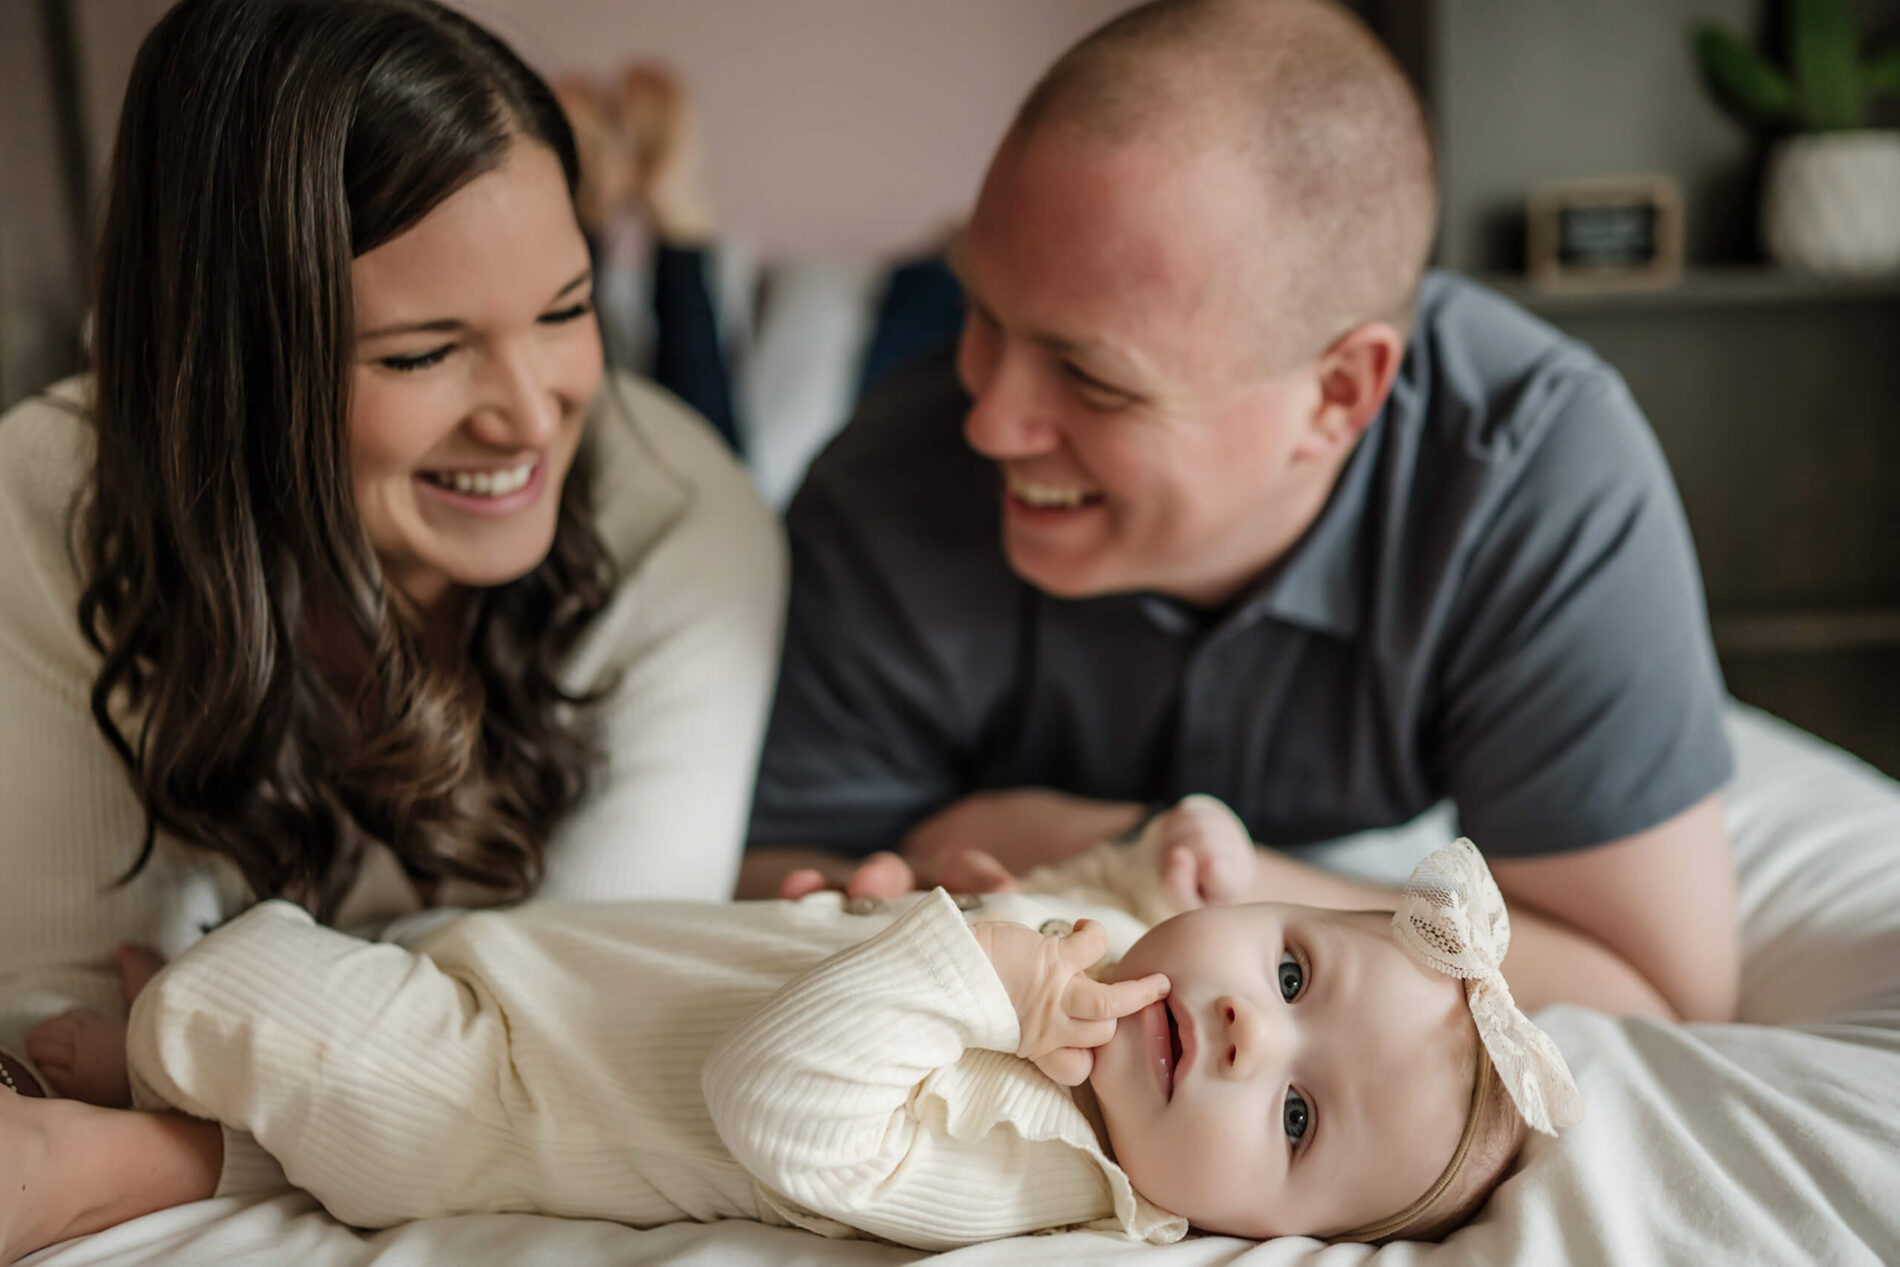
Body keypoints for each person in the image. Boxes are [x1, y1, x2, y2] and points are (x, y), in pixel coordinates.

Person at [742, 0, 1739, 1026]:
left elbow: (1657, 992)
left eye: (1093, 379)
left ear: (1339, 394)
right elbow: (768, 870)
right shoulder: (883, 489)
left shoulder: (1531, 478)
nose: (991, 421)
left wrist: (1141, 860)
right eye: (983, 317)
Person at [0, 0, 784, 1104]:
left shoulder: (685, 525)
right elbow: (52, 1030)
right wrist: (414, 1022)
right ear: (233, 368)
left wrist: (197, 1088)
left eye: (565, 311)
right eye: (424, 354)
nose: (529, 417)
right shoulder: (37, 502)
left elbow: (593, 1041)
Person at [0, 798, 1581, 1258]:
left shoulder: (1041, 1170)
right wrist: (1150, 858)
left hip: (509, 1096)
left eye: (1295, 1119)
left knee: (273, 1007)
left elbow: (786, 1109)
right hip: (567, 974)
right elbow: (1063, 897)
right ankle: (186, 1080)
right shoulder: (1116, 964)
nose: (1249, 1033)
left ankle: (159, 1075)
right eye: (1295, 972)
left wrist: (969, 974)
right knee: (334, 962)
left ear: (1233, 1219)